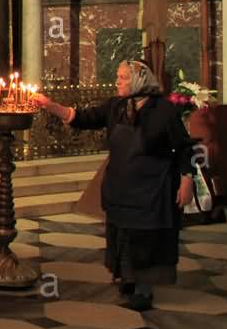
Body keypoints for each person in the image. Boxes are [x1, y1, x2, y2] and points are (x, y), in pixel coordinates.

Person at [33, 58, 195, 311]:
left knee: (146, 237)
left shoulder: (163, 111)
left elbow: (184, 148)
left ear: (139, 80)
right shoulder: (116, 106)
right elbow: (84, 118)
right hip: (122, 184)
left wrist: (187, 180)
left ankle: (144, 288)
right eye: (118, 77)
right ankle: (128, 277)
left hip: (152, 187)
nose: (117, 82)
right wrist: (50, 105)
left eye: (123, 78)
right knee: (123, 234)